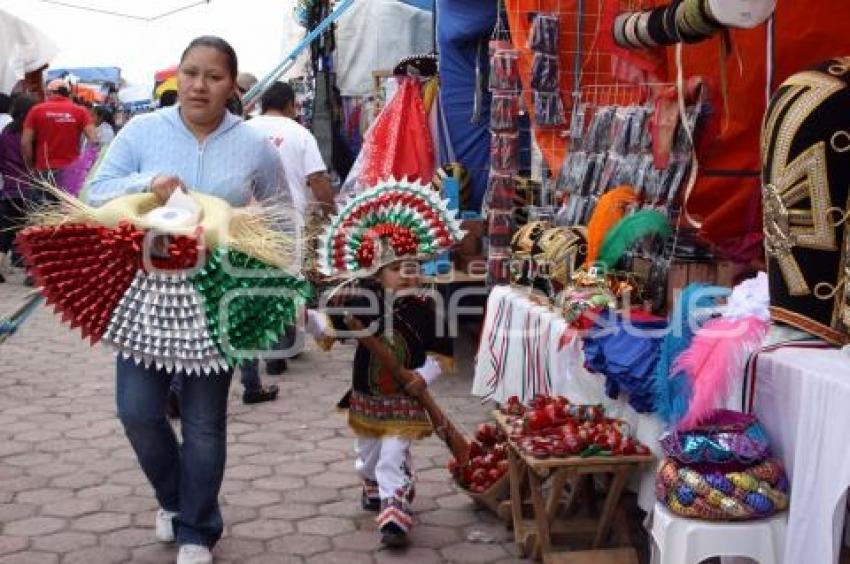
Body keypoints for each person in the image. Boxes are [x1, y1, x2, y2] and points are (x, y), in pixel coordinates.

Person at [87, 35, 288, 564]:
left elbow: (282, 214)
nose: (200, 85)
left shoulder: (253, 145)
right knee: (137, 411)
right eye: (191, 72)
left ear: (232, 86)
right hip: (144, 296)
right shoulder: (142, 130)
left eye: (214, 76)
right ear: (178, 75)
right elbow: (94, 190)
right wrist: (147, 183)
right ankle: (174, 499)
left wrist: (275, 273)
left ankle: (197, 529)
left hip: (214, 296)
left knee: (203, 422)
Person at [21, 79, 98, 182]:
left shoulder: (36, 110)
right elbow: (94, 141)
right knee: (66, 198)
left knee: (43, 198)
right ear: (68, 93)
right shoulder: (81, 111)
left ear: (49, 93)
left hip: (44, 170)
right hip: (71, 170)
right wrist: (84, 166)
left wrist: (30, 167)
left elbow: (25, 142)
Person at [0, 94, 38, 283]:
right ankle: (31, 273)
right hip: (30, 186)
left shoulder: (6, 131)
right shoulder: (33, 131)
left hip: (9, 187)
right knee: (32, 229)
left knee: (7, 229)